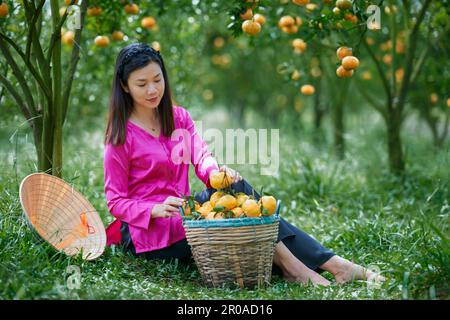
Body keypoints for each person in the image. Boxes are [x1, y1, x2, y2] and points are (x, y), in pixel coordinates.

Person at [103, 42, 385, 286]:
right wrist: (152, 209)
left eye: (157, 79)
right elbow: (115, 200)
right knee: (242, 223)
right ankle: (321, 267)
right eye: (142, 84)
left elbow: (201, 156)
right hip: (149, 232)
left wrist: (216, 173)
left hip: (186, 214)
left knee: (235, 189)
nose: (153, 90)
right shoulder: (120, 137)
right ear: (125, 87)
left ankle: (322, 266)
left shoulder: (178, 118)